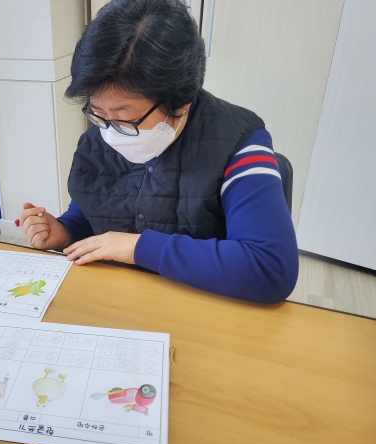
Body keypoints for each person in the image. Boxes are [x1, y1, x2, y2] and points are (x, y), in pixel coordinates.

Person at [18, 0, 298, 303]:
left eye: (125, 118)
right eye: (98, 112)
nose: (110, 131)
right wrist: (65, 230)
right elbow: (92, 211)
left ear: (181, 101)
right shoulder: (101, 135)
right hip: (118, 299)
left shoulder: (238, 142)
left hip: (198, 303)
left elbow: (270, 268)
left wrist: (138, 248)